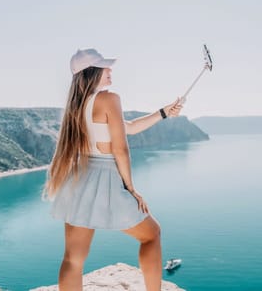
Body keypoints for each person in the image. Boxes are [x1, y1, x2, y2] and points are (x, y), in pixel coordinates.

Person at [42, 48, 182, 291]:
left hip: (80, 178)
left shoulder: (78, 104)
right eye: (106, 67)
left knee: (73, 259)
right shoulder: (109, 99)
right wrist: (131, 188)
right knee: (151, 235)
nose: (110, 71)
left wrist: (162, 113)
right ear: (91, 72)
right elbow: (121, 149)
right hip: (105, 179)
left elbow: (129, 126)